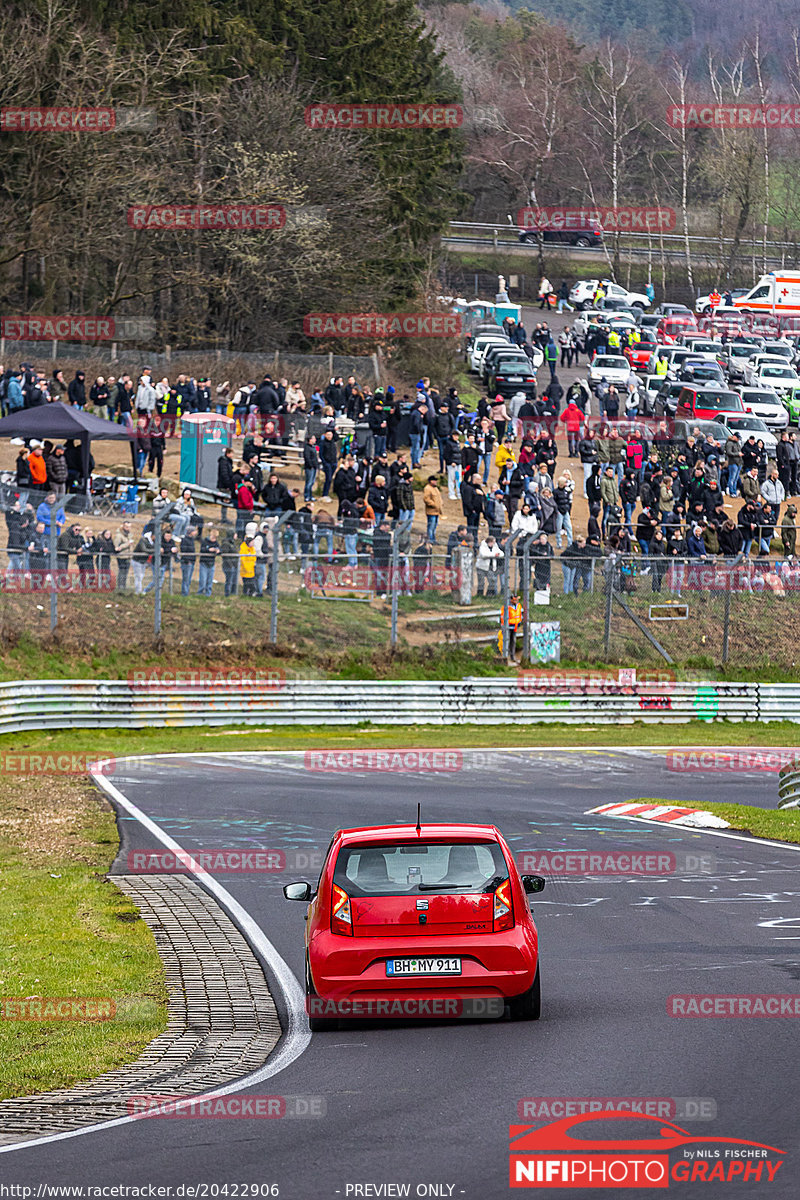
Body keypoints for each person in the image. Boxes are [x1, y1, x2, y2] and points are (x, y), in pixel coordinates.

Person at [500, 593, 523, 661]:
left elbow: (519, 615)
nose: (516, 601)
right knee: (506, 641)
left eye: (517, 599)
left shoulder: (518, 606)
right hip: (508, 627)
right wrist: (504, 626)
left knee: (513, 641)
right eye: (514, 600)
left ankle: (512, 656)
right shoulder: (506, 607)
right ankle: (505, 656)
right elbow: (502, 617)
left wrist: (519, 622)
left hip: (515, 627)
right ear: (511, 600)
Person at [114, 521, 134, 590]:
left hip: (128, 556)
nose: (128, 528)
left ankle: (124, 587)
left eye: (129, 527)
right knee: (122, 572)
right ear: (123, 526)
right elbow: (117, 547)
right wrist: (127, 544)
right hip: (121, 556)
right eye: (126, 527)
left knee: (126, 573)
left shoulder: (130, 535)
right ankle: (120, 587)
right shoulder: (119, 535)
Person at [423, 475, 443, 543]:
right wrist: (434, 505)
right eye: (434, 480)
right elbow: (426, 499)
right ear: (430, 481)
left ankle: (433, 539)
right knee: (431, 526)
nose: (436, 482)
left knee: (434, 526)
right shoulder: (427, 488)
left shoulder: (435, 488)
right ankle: (430, 539)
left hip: (436, 511)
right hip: (431, 511)